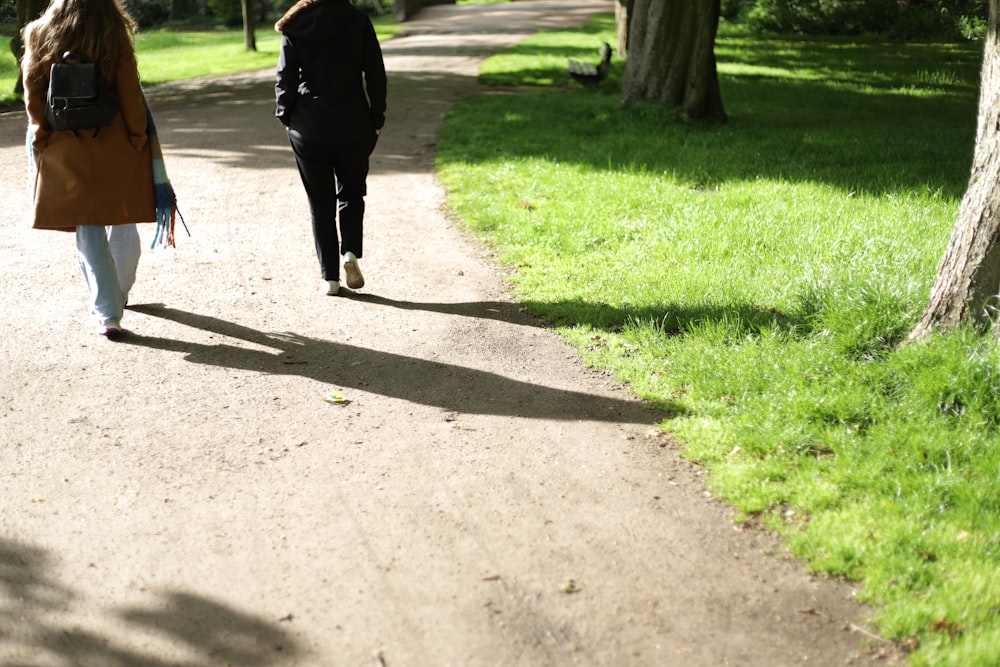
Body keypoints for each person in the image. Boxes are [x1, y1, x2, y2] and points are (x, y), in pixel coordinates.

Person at [21, 0, 156, 338]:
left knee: (88, 225)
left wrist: (40, 134)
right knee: (122, 216)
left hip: (64, 138)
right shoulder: (111, 31)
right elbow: (129, 91)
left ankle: (108, 313)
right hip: (114, 136)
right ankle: (120, 293)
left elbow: (32, 91)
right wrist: (138, 135)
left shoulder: (39, 32)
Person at [274, 0, 387, 296]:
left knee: (320, 203)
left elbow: (285, 76)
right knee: (351, 192)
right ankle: (349, 252)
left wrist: (285, 114)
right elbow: (375, 72)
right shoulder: (358, 20)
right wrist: (377, 117)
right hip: (354, 124)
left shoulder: (295, 24)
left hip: (308, 127)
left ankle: (330, 279)